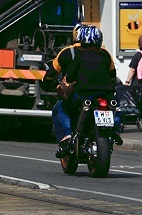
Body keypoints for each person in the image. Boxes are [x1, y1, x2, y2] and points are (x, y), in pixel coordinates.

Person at [51, 25, 122, 157]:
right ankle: (116, 129)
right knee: (117, 107)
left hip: (82, 95)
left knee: (61, 107)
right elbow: (113, 76)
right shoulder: (105, 54)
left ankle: (67, 136)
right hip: (106, 94)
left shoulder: (78, 54)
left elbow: (70, 76)